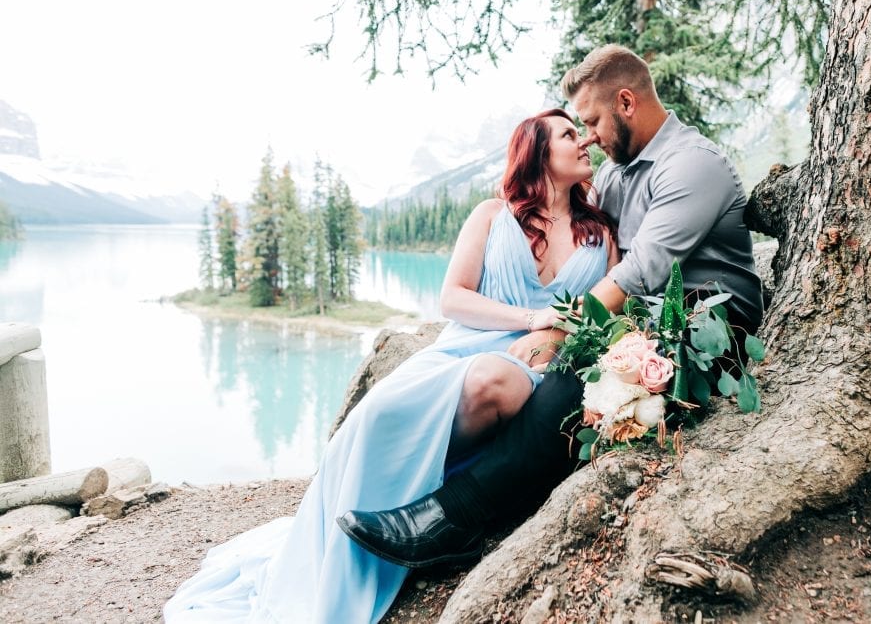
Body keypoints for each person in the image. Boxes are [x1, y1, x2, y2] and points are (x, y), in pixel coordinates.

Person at [162, 108, 616, 623]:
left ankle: (441, 510)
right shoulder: (492, 215)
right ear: (536, 150)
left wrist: (550, 335)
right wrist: (531, 316)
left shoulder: (601, 234)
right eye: (568, 134)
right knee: (378, 416)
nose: (584, 143)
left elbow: (612, 302)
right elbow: (453, 298)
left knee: (498, 381)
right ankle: (360, 522)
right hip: (465, 347)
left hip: (539, 362)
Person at [339, 44, 764, 568]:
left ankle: (457, 519)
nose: (588, 136)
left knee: (573, 379)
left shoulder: (692, 165)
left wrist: (558, 331)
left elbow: (641, 271)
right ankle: (429, 490)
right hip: (643, 316)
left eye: (591, 121)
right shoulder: (614, 175)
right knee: (568, 375)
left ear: (626, 102)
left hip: (708, 320)